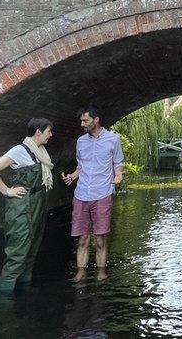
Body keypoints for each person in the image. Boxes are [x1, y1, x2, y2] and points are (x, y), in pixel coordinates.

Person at [0, 118, 56, 294]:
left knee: (31, 251)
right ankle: (4, 301)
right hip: (22, 208)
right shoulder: (19, 150)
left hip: (37, 205)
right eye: (48, 131)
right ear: (39, 131)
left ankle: (24, 290)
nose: (50, 135)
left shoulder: (40, 151)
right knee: (17, 253)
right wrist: (7, 191)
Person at [62, 107, 124, 283]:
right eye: (82, 121)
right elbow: (80, 166)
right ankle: (81, 272)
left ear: (96, 120)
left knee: (100, 239)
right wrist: (72, 176)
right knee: (82, 239)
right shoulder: (81, 141)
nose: (82, 124)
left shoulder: (113, 140)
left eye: (85, 121)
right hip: (81, 194)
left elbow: (118, 163)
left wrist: (118, 175)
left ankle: (101, 271)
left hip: (102, 194)